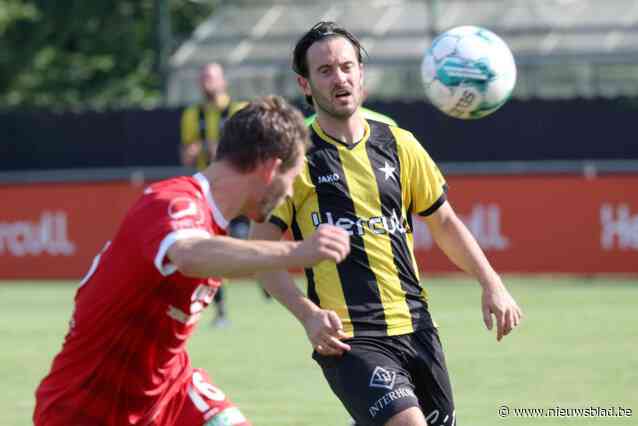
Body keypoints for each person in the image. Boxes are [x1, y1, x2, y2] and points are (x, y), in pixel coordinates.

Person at [250, 22, 523, 426]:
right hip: (348, 336)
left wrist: (491, 282)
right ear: (305, 85)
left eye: (346, 66)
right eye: (324, 71)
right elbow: (261, 254)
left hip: (416, 326)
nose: (339, 77)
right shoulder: (292, 159)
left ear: (361, 73)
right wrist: (307, 314)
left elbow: (443, 221)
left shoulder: (400, 143)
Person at [33, 96, 351, 426]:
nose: (289, 194)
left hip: (171, 391)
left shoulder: (212, 221)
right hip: (84, 408)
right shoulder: (173, 202)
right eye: (292, 179)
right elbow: (189, 254)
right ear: (270, 169)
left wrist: (309, 314)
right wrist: (299, 252)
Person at [179, 62, 251, 326]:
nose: (206, 82)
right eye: (203, 77)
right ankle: (220, 311)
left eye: (211, 77)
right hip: (207, 192)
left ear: (223, 82)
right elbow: (186, 153)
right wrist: (193, 152)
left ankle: (265, 279)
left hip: (239, 189)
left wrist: (222, 150)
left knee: (243, 244)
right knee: (214, 249)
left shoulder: (238, 111)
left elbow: (251, 148)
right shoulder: (191, 115)